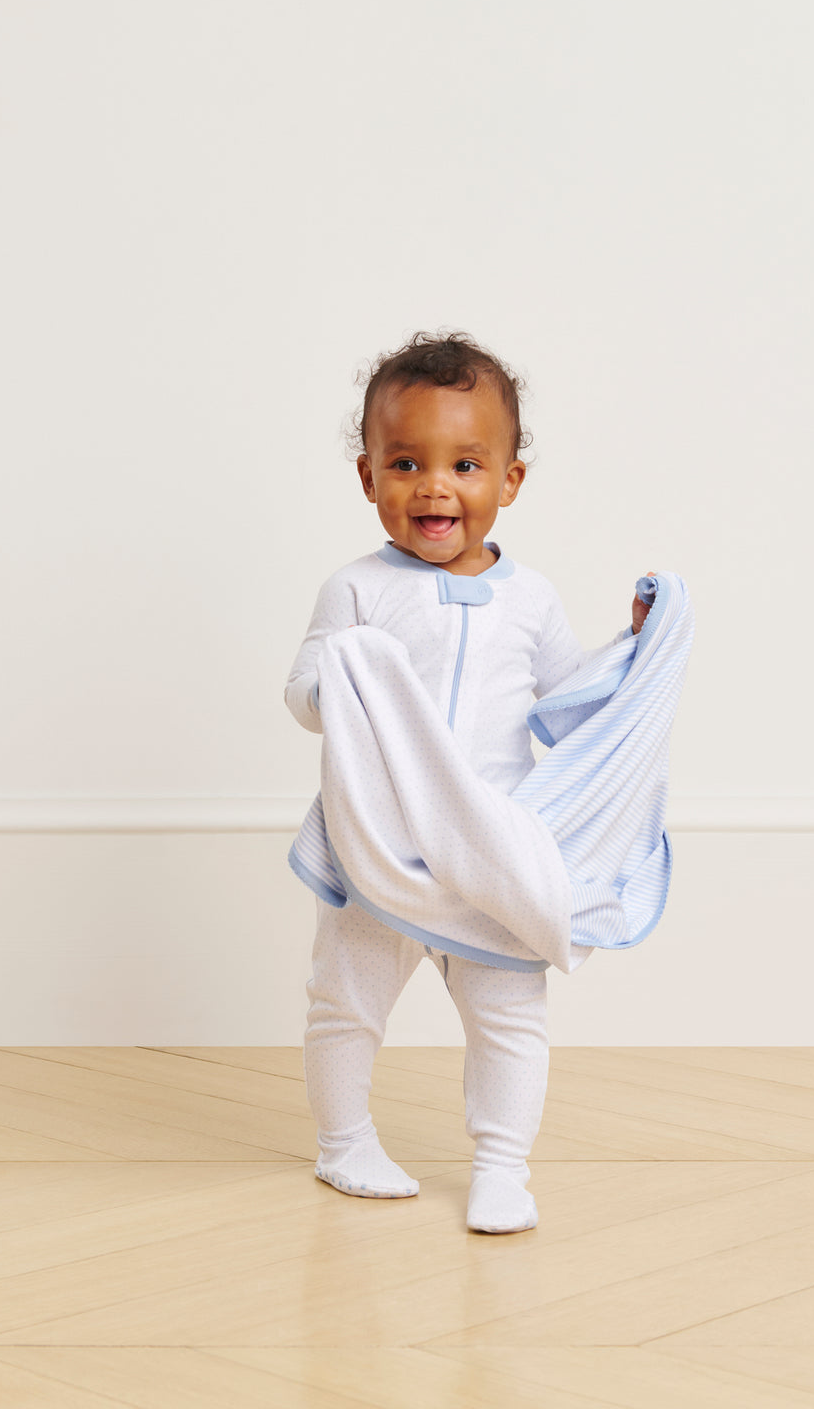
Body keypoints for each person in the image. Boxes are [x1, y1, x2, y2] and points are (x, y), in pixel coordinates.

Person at [284, 331, 656, 1234]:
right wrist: (344, 671)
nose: (434, 486)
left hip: (493, 843)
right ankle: (344, 1144)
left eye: (465, 463)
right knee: (347, 997)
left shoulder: (531, 602)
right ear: (369, 478)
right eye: (405, 462)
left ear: (510, 481)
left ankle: (502, 1166)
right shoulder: (359, 591)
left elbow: (571, 707)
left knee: (509, 1013)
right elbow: (303, 694)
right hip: (382, 839)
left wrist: (634, 649)